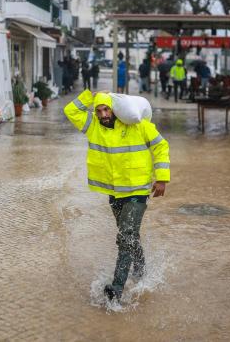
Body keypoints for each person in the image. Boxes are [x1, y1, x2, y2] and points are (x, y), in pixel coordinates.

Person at [63, 90, 170, 302]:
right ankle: (140, 270)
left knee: (125, 237)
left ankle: (116, 288)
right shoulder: (93, 126)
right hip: (115, 192)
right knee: (129, 235)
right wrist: (90, 95)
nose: (103, 114)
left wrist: (162, 178)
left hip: (138, 191)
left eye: (106, 109)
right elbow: (71, 110)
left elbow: (161, 146)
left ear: (114, 110)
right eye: (99, 110)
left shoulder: (137, 125)